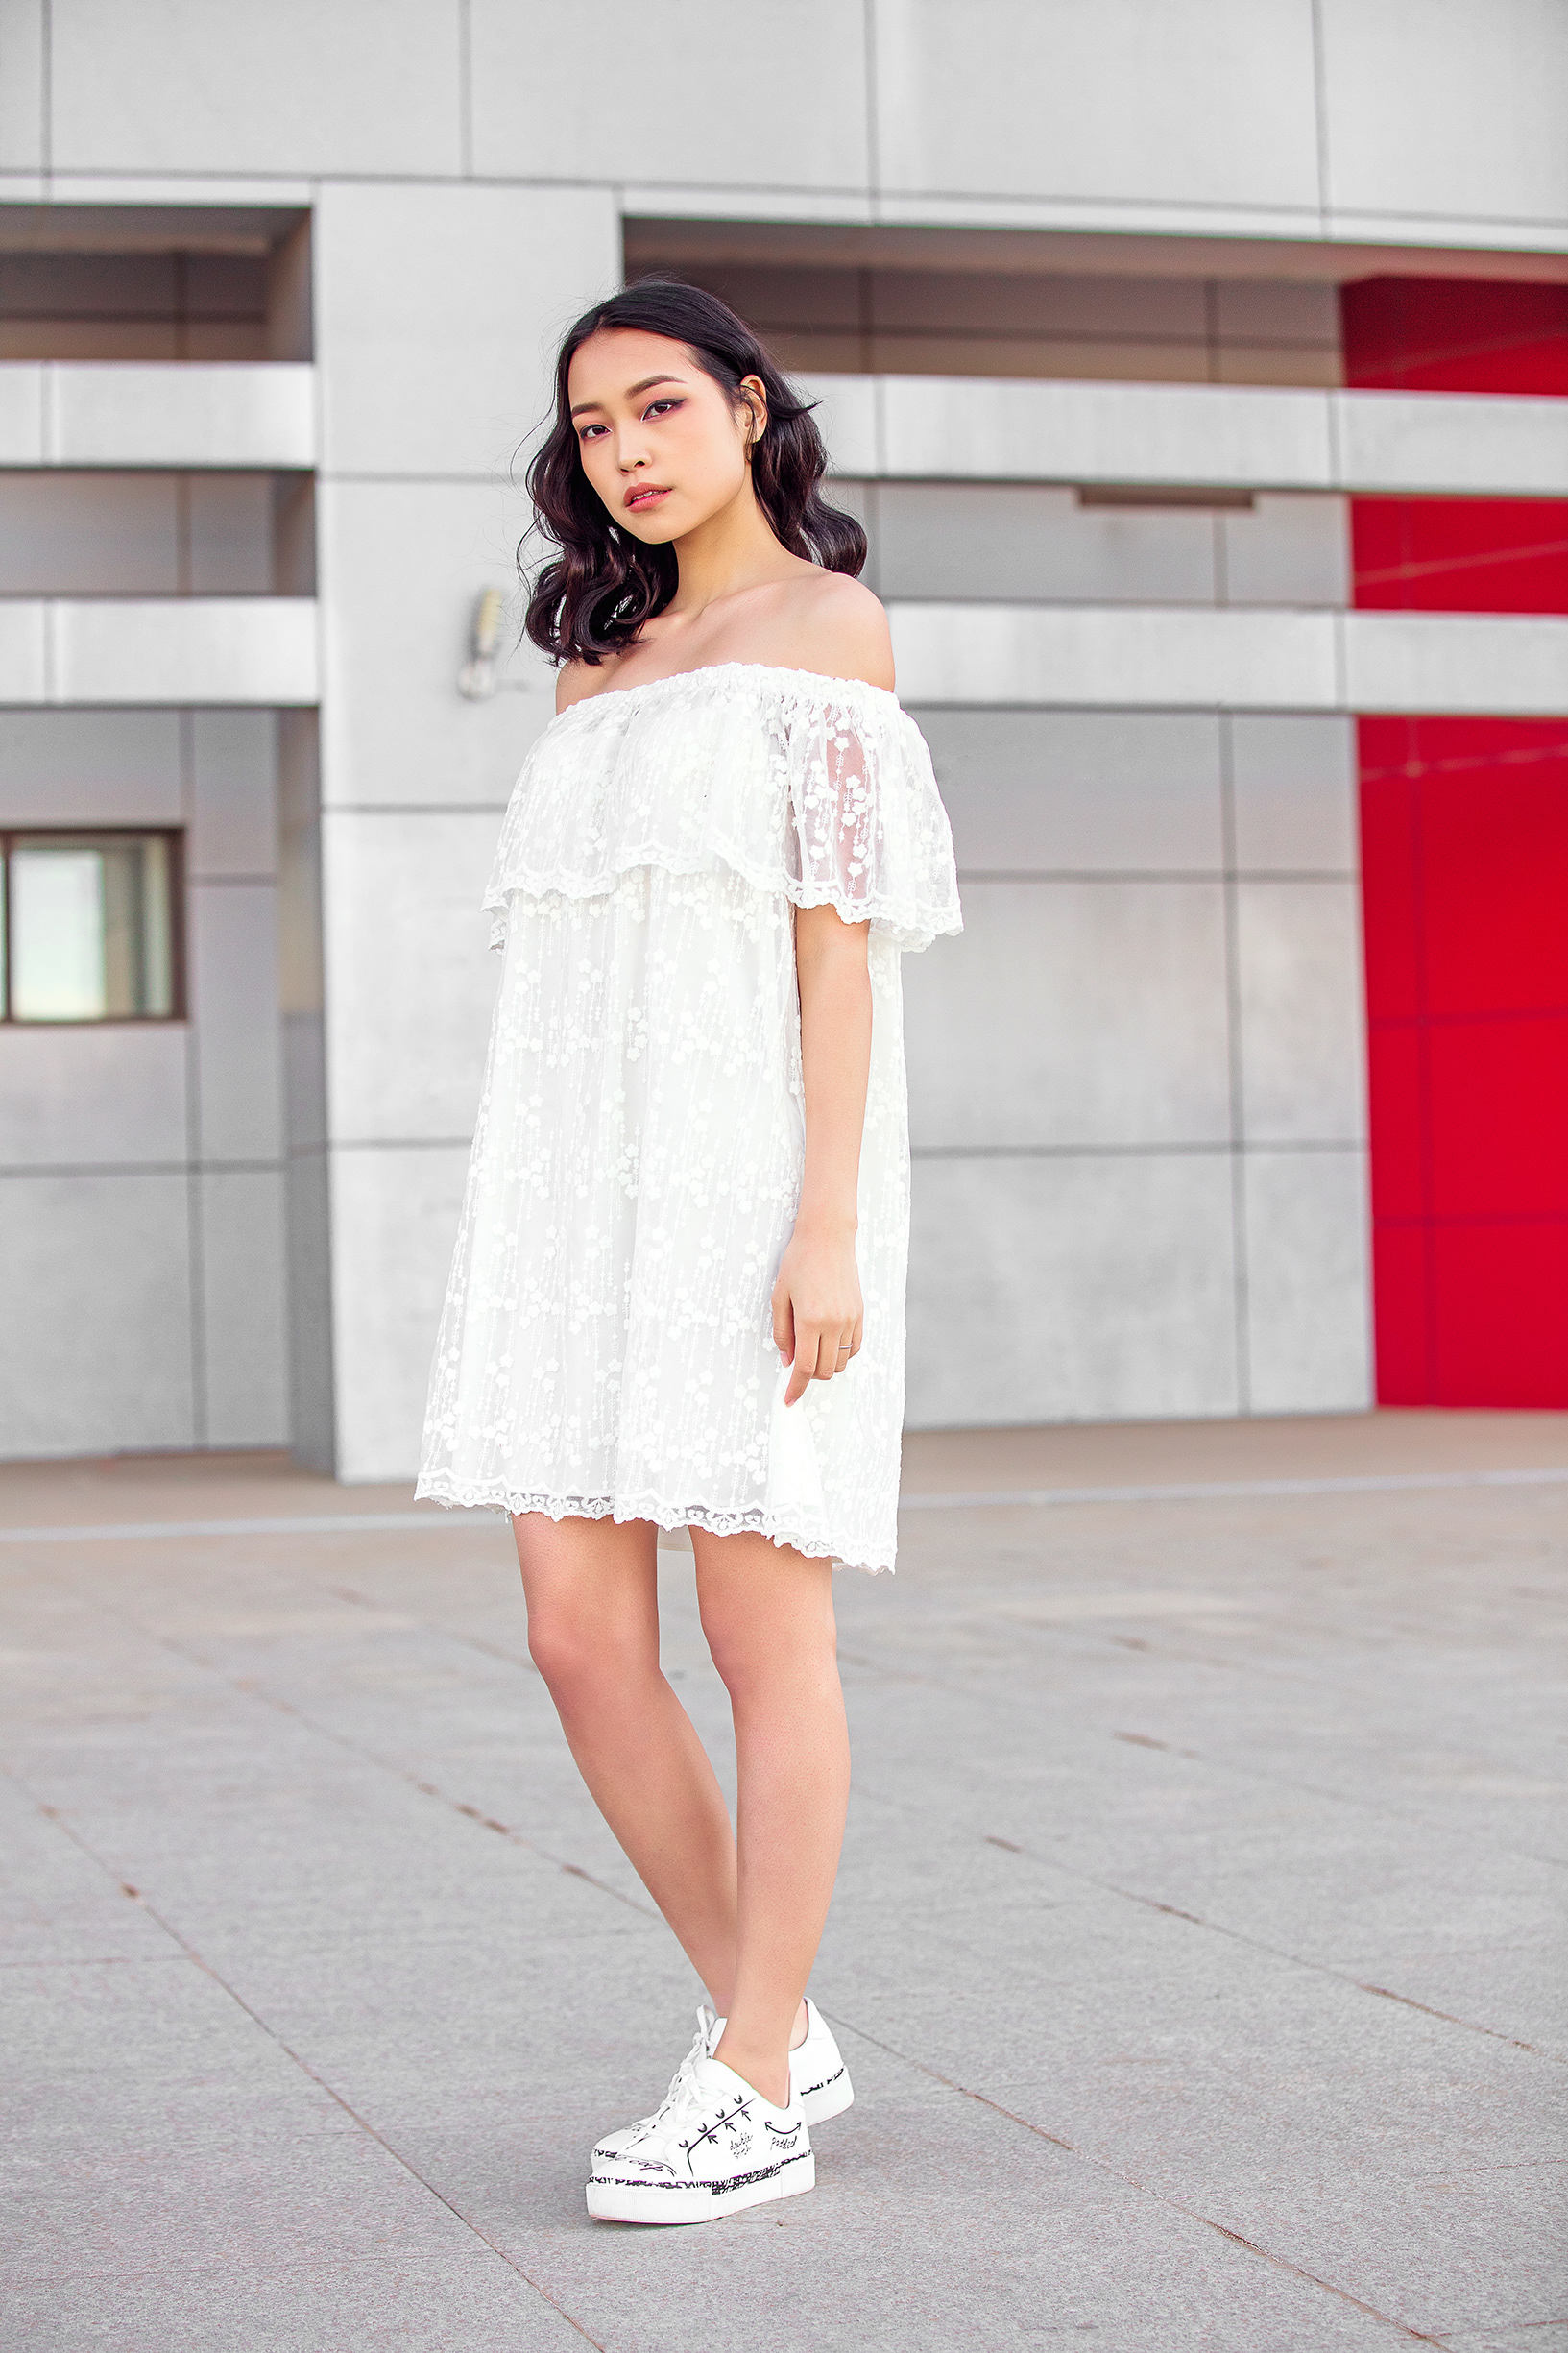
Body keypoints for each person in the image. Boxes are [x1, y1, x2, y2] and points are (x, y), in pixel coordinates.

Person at [416, 279, 961, 2225]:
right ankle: (773, 2012)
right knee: (576, 1636)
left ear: (746, 408)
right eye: (591, 426)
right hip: (579, 1189)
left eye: (658, 406)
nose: (624, 451)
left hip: (750, 1188)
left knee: (756, 1633)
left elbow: (838, 954)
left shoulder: (830, 629)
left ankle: (748, 2080)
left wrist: (824, 1224)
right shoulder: (598, 666)